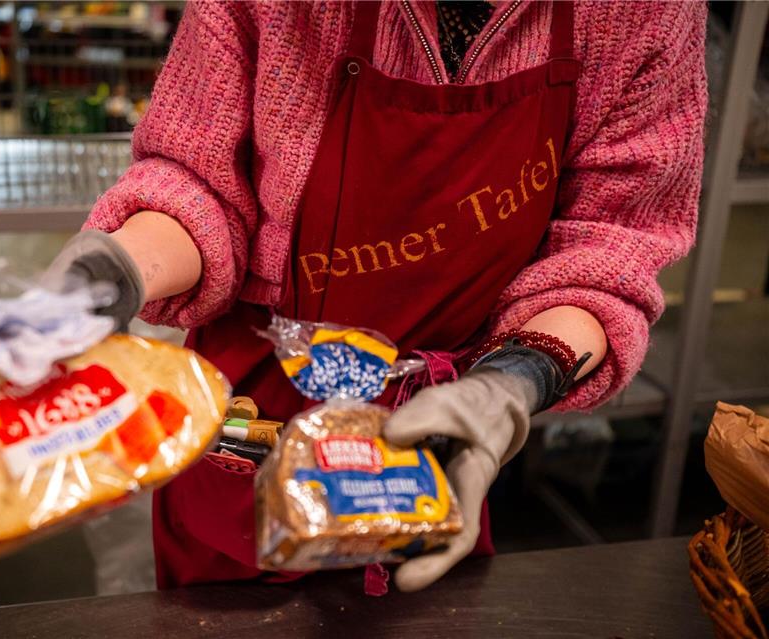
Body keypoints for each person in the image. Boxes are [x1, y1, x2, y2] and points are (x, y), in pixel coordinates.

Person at [52, 0, 707, 592]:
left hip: (434, 436)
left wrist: (511, 383)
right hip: (249, 419)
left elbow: (608, 250)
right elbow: (198, 181)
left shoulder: (641, 15)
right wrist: (119, 266)